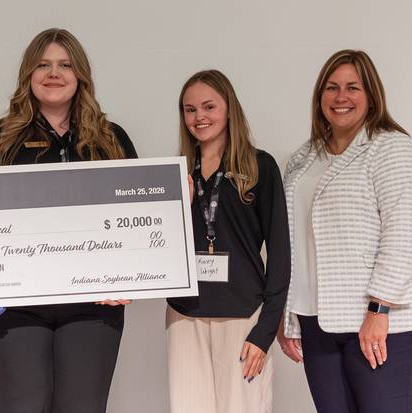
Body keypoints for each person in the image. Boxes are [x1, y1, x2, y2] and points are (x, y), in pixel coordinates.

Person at [0, 28, 137, 413]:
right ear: (29, 74)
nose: (54, 73)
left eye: (65, 65)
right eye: (43, 65)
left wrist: (131, 274)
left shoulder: (111, 140)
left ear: (81, 76)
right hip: (15, 306)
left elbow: (135, 218)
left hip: (94, 303)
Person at [276, 49, 412, 413]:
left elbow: (404, 235)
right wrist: (287, 316)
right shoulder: (304, 159)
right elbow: (294, 243)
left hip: (384, 324)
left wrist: (378, 310)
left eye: (353, 87)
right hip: (317, 322)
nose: (341, 97)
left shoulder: (392, 148)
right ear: (320, 97)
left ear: (372, 96)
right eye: (331, 88)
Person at [166, 69, 290, 413]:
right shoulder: (176, 173)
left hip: (243, 316)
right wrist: (179, 206)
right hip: (184, 315)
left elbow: (281, 255)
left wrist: (265, 332)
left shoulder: (259, 166)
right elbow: (159, 247)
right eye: (190, 110)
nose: (199, 117)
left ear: (229, 109)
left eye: (209, 107)